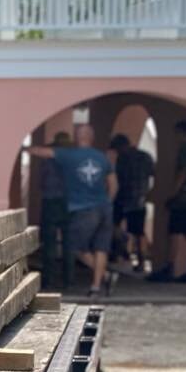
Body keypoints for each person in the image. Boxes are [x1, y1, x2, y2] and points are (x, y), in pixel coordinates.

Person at [31, 123, 116, 298]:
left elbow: (42, 153)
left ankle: (104, 276)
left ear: (78, 137)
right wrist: (108, 202)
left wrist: (24, 147)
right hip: (104, 207)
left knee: (76, 247)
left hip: (83, 209)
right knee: (101, 248)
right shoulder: (102, 157)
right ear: (91, 137)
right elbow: (114, 185)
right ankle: (96, 286)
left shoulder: (68, 155)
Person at [149, 118, 186, 284]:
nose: (175, 137)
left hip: (182, 199)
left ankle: (170, 267)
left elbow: (182, 173)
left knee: (174, 233)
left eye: (177, 133)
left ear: (182, 133)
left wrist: (173, 194)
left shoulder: (185, 150)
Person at [109, 132, 155, 273]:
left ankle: (121, 252)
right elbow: (155, 174)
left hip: (122, 198)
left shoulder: (122, 159)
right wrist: (149, 193)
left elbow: (117, 178)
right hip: (139, 199)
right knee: (139, 233)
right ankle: (140, 262)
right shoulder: (146, 156)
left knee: (113, 226)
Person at [37, 129, 72, 292]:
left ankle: (49, 281)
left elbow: (42, 180)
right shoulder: (72, 159)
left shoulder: (48, 160)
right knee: (68, 243)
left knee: (49, 243)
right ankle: (68, 280)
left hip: (50, 201)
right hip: (69, 203)